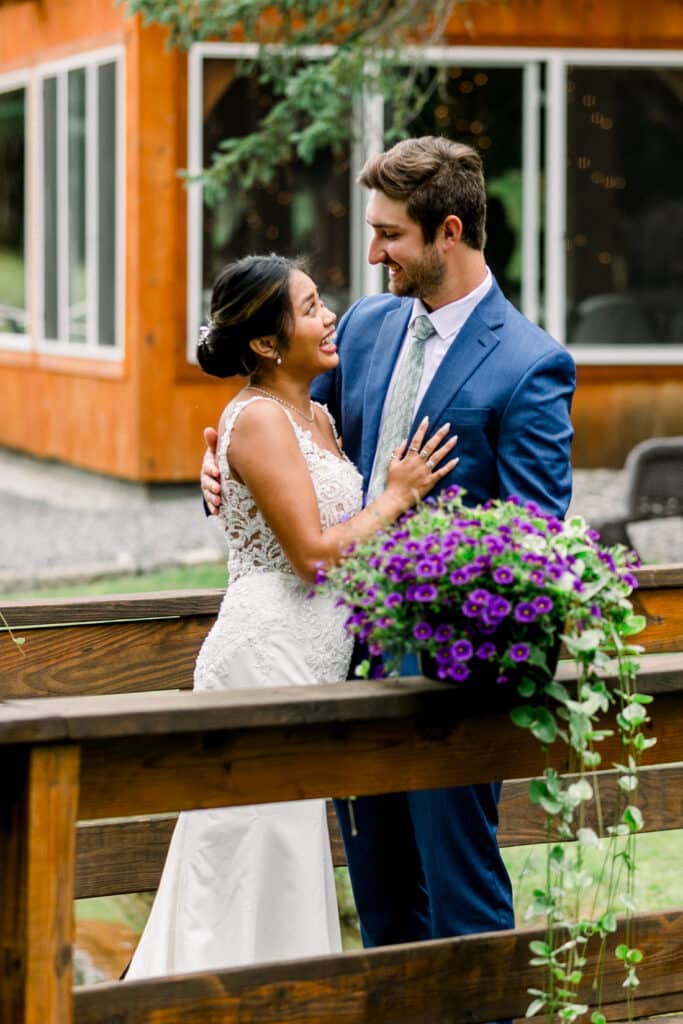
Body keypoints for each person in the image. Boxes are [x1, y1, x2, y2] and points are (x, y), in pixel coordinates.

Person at [201, 138, 575, 987]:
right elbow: (289, 433)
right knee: (381, 909)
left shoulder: (529, 364)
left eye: (388, 235)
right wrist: (217, 456)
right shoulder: (367, 328)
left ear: (448, 232)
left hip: (448, 680)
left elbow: (534, 544)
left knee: (461, 906)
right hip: (336, 660)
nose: (372, 254)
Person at [126, 253, 457, 979]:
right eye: (309, 308)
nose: (329, 315)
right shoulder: (258, 420)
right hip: (264, 656)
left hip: (311, 658)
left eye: (320, 301)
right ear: (266, 342)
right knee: (247, 855)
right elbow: (311, 555)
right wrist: (396, 496)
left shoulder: (318, 415)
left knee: (283, 856)